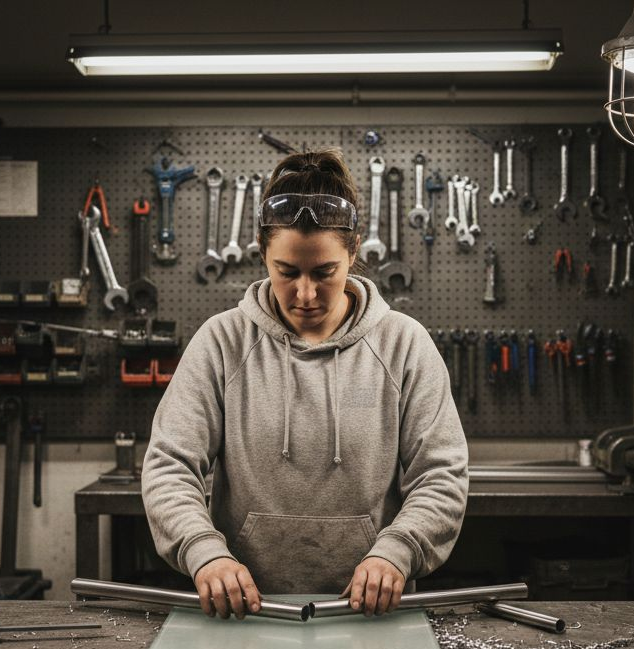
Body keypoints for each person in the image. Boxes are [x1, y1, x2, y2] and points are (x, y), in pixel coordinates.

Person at [142, 148, 468, 620]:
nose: (306, 294)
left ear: (354, 253)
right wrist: (203, 551)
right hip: (245, 613)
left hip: (371, 616)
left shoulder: (404, 345)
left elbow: (442, 474)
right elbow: (169, 467)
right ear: (262, 254)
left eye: (325, 273)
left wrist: (397, 550)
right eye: (287, 272)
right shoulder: (222, 342)